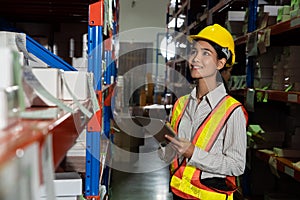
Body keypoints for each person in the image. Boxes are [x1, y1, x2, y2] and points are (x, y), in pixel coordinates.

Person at [159, 24, 248, 200]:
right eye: (194, 52)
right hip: (179, 194)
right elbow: (169, 157)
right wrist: (164, 144)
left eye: (206, 53)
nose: (195, 59)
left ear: (221, 63)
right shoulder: (181, 104)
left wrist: (193, 152)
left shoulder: (232, 111)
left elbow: (237, 166)